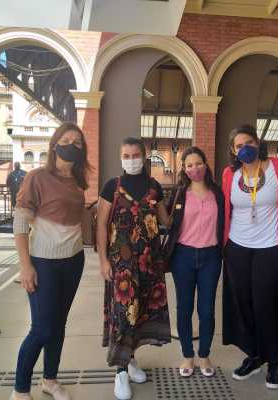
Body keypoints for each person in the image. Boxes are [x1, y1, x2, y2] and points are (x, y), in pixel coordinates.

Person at [10, 122, 90, 400]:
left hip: (73, 261)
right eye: (66, 140)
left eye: (77, 142)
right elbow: (20, 221)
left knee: (58, 325)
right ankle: (20, 389)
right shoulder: (37, 177)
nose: (71, 146)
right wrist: (25, 266)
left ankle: (50, 380)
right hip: (44, 263)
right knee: (42, 328)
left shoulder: (78, 182)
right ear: (54, 145)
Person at [97, 137, 171, 400]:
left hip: (150, 263)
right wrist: (103, 260)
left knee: (139, 314)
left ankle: (130, 360)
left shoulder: (154, 187)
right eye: (126, 156)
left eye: (135, 155)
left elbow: (166, 220)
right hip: (122, 264)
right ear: (121, 157)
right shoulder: (112, 186)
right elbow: (101, 224)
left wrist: (185, 199)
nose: (131, 160)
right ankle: (120, 372)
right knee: (123, 316)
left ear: (144, 155)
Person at [221, 124, 278, 390]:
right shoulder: (230, 174)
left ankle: (273, 360)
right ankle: (254, 354)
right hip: (238, 247)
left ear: (258, 142)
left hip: (271, 246)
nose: (245, 149)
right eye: (239, 146)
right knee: (243, 303)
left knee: (265, 304)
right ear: (233, 151)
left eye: (249, 143)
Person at [165, 146, 224, 378]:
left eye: (198, 163)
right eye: (189, 165)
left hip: (211, 257)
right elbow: (165, 219)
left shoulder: (218, 194)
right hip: (183, 256)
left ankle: (204, 354)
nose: (194, 168)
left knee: (207, 309)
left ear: (205, 165)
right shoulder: (179, 193)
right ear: (184, 168)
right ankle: (188, 354)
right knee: (184, 307)